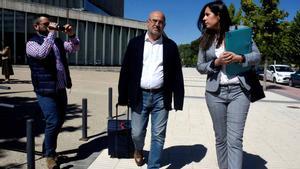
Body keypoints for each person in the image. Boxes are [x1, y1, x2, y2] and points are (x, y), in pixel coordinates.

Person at [196, 1, 261, 169]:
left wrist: (240, 58)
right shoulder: (205, 39)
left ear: (219, 16)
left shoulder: (240, 32)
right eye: (204, 15)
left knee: (234, 140)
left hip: (239, 92)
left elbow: (257, 56)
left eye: (207, 14)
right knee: (221, 138)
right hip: (214, 93)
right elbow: (200, 66)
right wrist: (216, 62)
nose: (204, 18)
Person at [118, 11, 184, 169]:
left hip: (161, 97)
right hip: (139, 95)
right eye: (154, 21)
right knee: (137, 132)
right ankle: (138, 149)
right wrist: (123, 96)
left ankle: (153, 165)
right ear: (147, 22)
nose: (157, 24)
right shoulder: (135, 43)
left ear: (164, 25)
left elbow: (177, 74)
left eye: (160, 22)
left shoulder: (170, 46)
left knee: (158, 134)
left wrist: (178, 100)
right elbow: (125, 70)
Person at [26, 15, 79, 169]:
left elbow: (74, 48)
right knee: (53, 121)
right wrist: (51, 33)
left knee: (59, 121)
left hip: (60, 87)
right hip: (44, 89)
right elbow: (41, 54)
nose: (50, 25)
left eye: (50, 23)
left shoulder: (56, 41)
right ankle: (50, 155)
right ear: (36, 26)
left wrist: (71, 35)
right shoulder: (31, 43)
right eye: (46, 24)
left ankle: (48, 150)